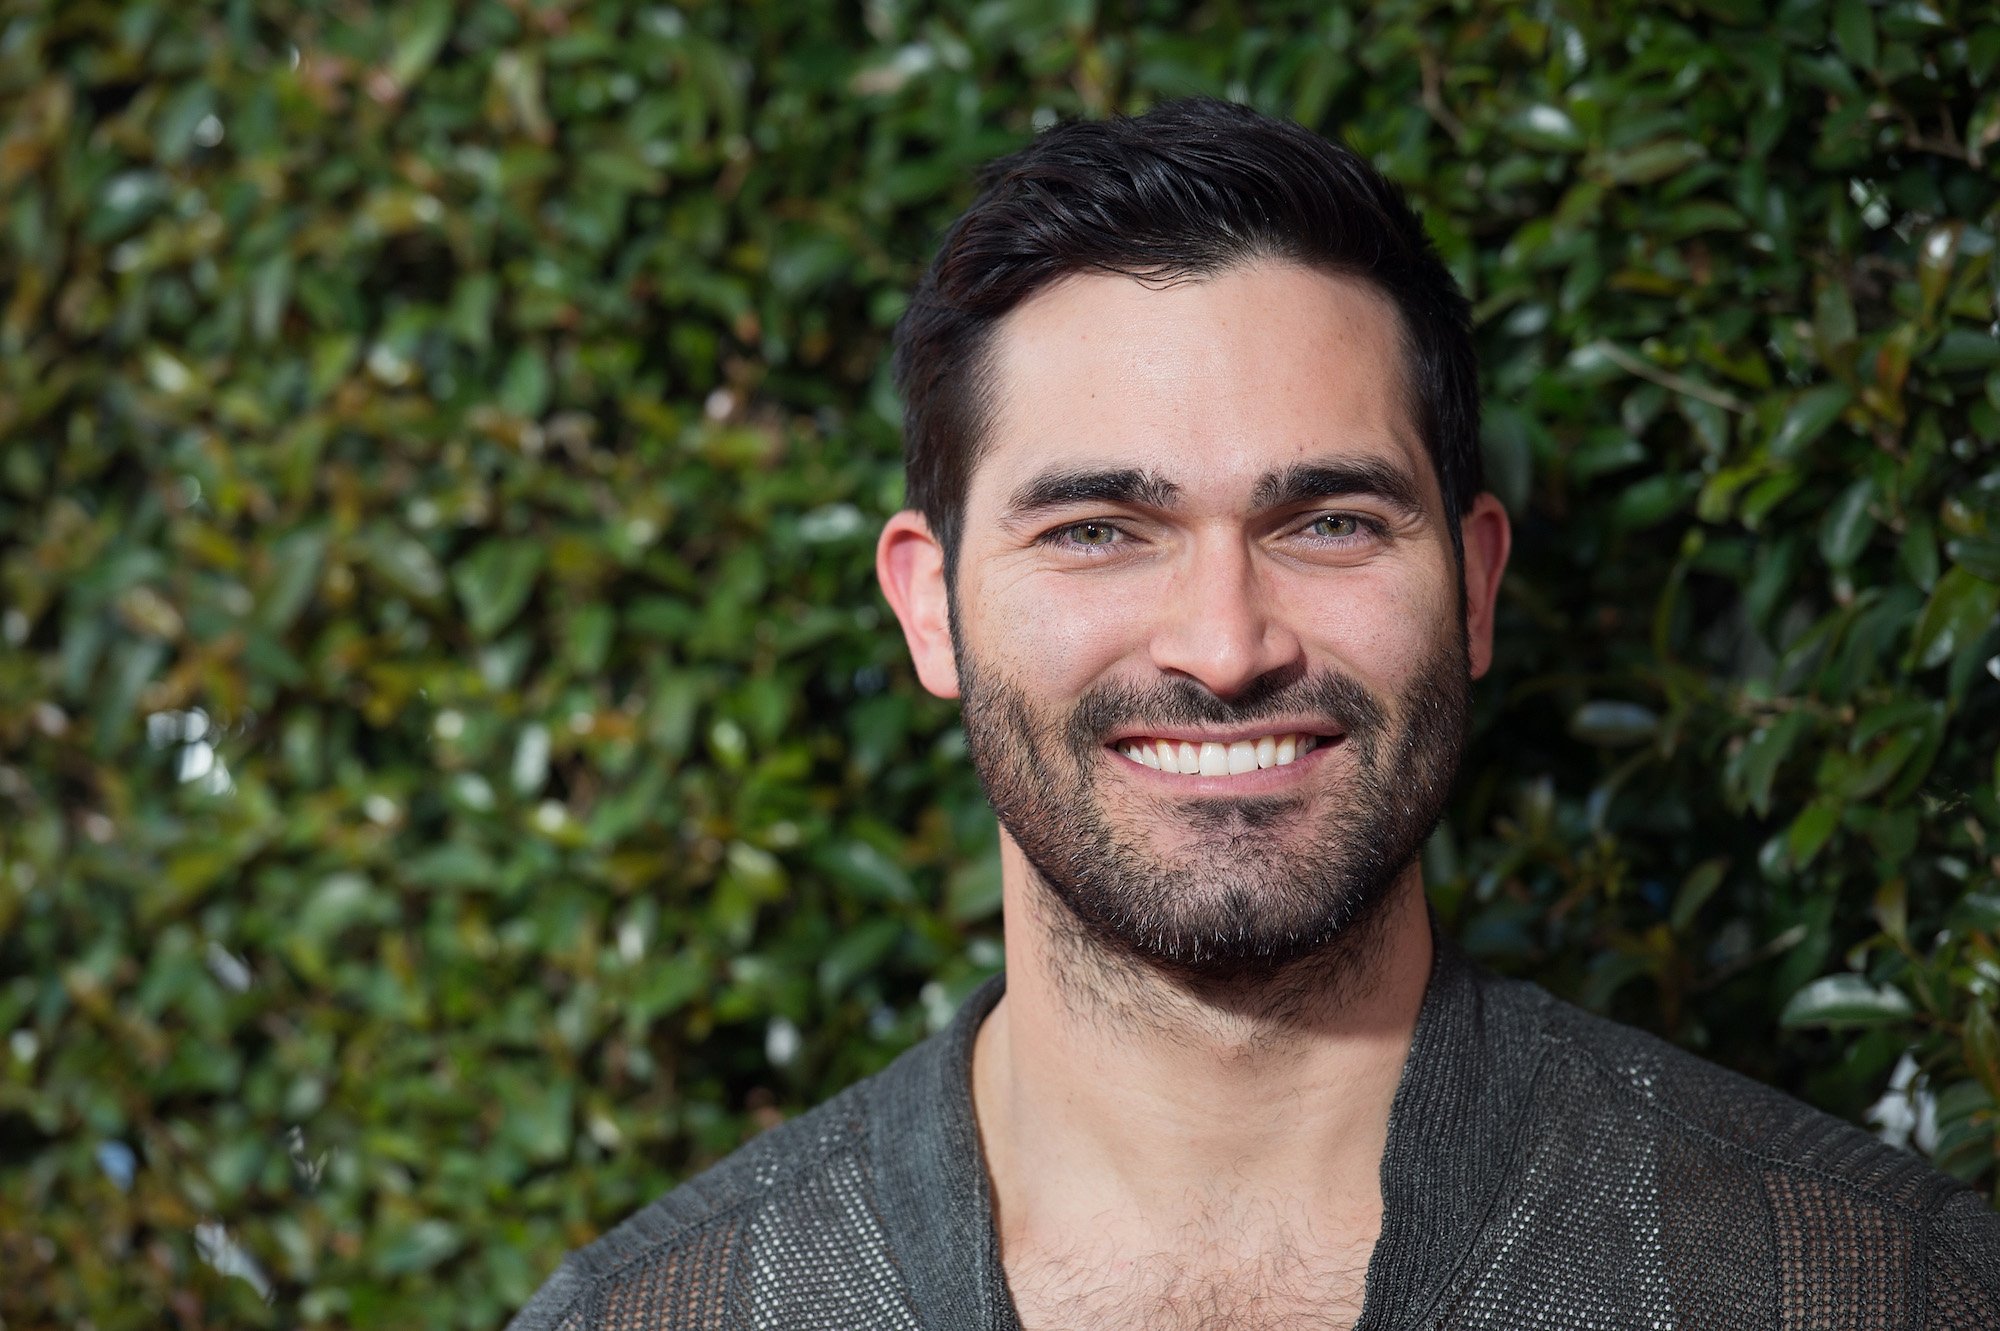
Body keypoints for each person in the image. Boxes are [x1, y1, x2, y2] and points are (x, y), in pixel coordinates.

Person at [508, 97, 2000, 1331]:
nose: (1223, 647)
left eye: (1331, 521)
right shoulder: (652, 1316)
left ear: (1474, 587)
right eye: (1098, 528)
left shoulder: (1878, 1287)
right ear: (929, 606)